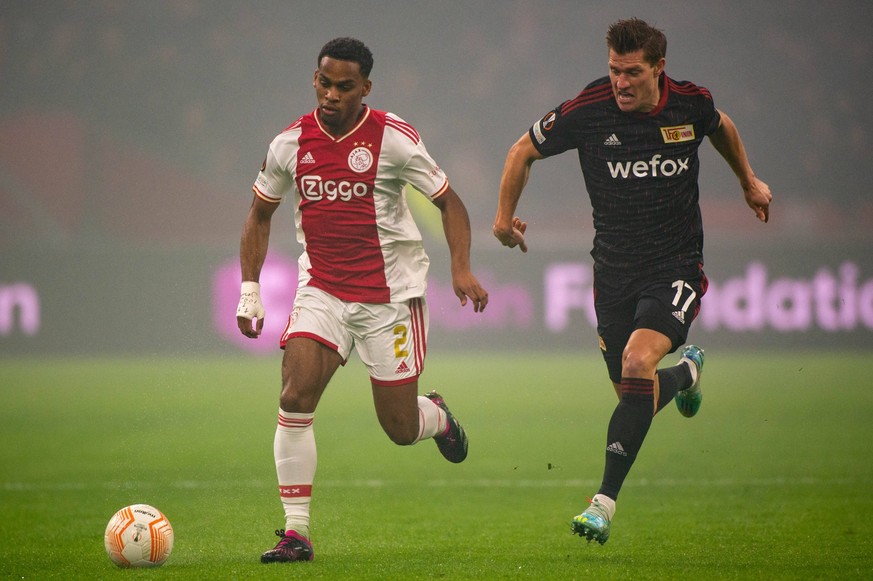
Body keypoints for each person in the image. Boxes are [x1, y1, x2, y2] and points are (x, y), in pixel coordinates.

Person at [493, 18, 771, 544]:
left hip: (676, 265)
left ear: (659, 69)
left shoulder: (689, 104)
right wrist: (504, 219)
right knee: (631, 391)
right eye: (614, 70)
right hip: (613, 273)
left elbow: (721, 126)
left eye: (632, 72)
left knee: (637, 363)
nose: (620, 82)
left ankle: (602, 505)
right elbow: (520, 152)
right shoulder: (588, 110)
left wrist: (748, 182)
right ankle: (687, 376)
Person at [237, 37, 489, 563]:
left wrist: (460, 266)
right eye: (323, 82)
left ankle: (436, 417)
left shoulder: (393, 140)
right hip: (323, 288)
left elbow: (450, 202)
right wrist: (250, 288)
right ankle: (296, 533)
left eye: (344, 86)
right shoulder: (289, 144)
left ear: (365, 88)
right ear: (315, 79)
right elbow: (260, 215)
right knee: (293, 398)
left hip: (390, 298)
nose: (330, 94)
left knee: (399, 429)